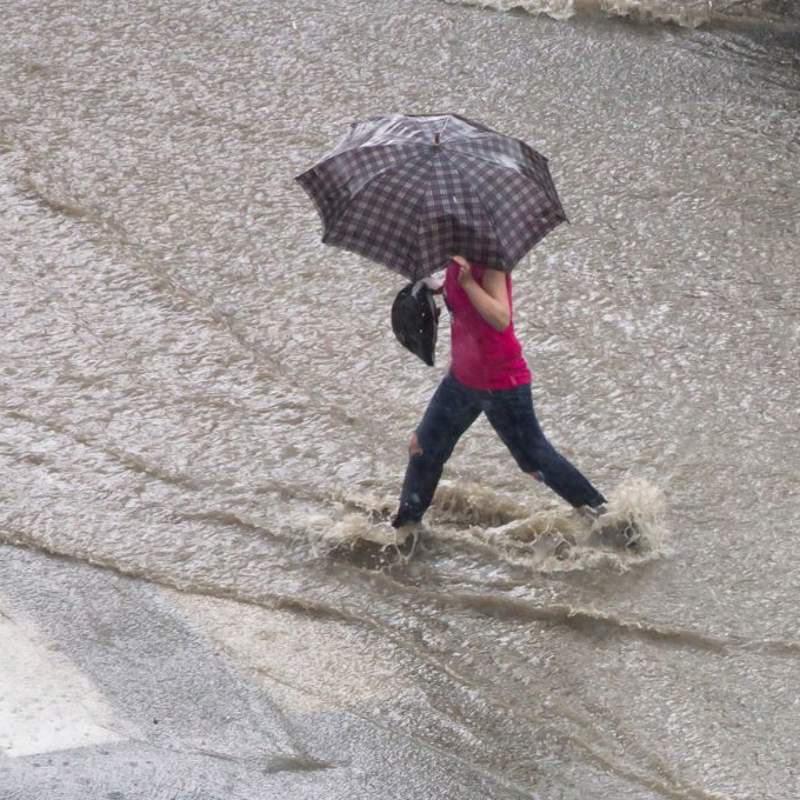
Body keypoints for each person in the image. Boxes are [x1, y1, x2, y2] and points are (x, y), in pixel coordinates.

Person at [391, 255, 633, 548]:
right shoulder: (455, 258)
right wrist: (437, 286)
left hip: (501, 383)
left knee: (534, 460)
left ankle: (608, 521)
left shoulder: (489, 259)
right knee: (423, 448)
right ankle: (406, 531)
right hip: (462, 379)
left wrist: (468, 284)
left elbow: (500, 317)